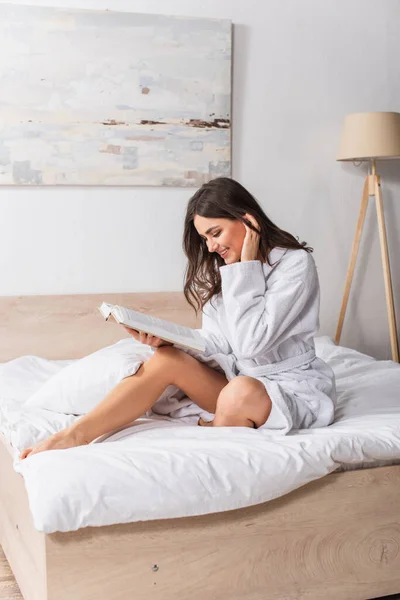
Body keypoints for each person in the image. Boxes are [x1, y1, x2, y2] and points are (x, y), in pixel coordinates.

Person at [20, 177, 336, 460]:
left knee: (239, 391)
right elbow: (220, 344)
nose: (212, 247)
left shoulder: (294, 264)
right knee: (166, 359)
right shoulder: (226, 272)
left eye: (216, 233)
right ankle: (73, 435)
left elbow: (252, 343)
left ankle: (217, 432)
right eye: (205, 239)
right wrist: (172, 341)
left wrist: (246, 269)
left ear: (247, 219)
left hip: (287, 388)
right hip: (236, 382)